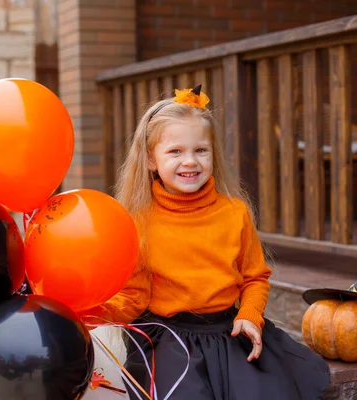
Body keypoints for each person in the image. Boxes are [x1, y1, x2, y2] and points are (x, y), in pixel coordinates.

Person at [86, 85, 330, 399]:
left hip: (229, 332)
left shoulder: (233, 212)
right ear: (150, 159)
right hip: (168, 340)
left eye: (200, 150)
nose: (190, 161)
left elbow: (255, 277)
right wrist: (90, 314)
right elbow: (133, 296)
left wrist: (250, 315)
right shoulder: (138, 222)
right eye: (175, 152)